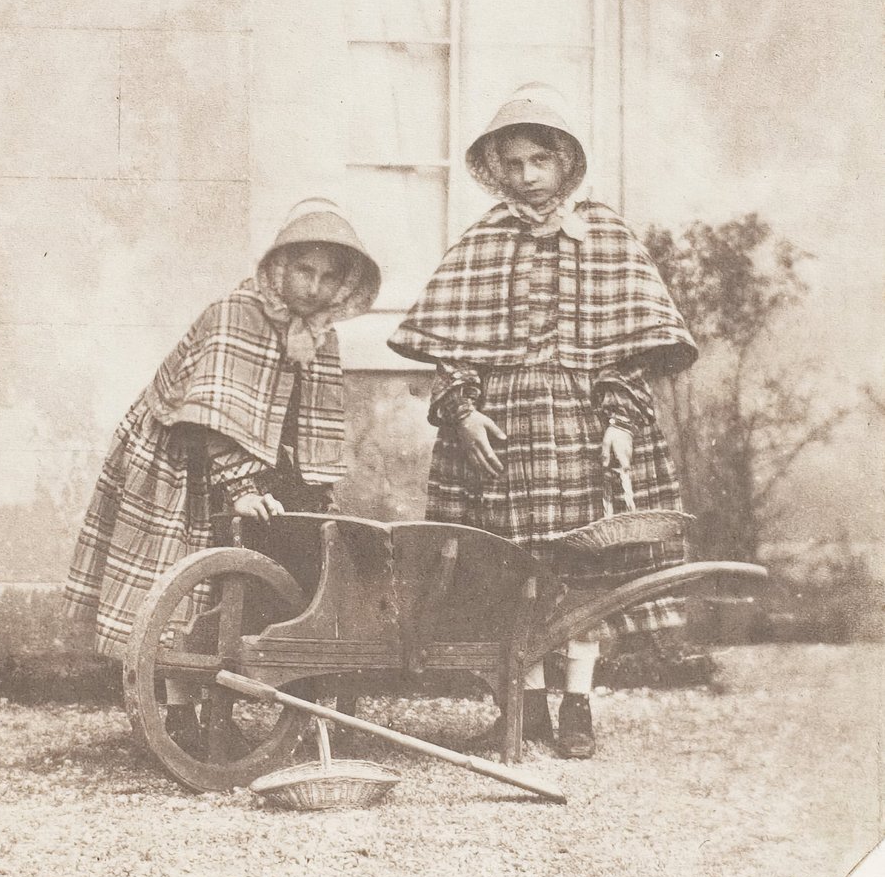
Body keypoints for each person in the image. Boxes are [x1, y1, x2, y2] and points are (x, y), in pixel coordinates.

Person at [388, 84, 697, 759]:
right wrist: (464, 413)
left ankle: (577, 703)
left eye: (540, 160)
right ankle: (524, 704)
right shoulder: (484, 240)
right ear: (495, 169)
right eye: (513, 163)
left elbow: (626, 351)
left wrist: (620, 423)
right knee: (509, 566)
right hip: (500, 436)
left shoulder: (604, 234)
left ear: (565, 163)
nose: (527, 175)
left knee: (582, 567)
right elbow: (453, 349)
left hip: (581, 430)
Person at [64, 198, 381, 748]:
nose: (314, 286)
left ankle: (231, 707)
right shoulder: (235, 313)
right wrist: (240, 485)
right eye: (303, 270)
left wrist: (314, 486)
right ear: (279, 267)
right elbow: (212, 413)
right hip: (187, 457)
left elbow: (308, 421)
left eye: (329, 276)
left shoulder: (320, 334)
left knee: (252, 582)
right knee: (190, 582)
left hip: (258, 463)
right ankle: (181, 715)